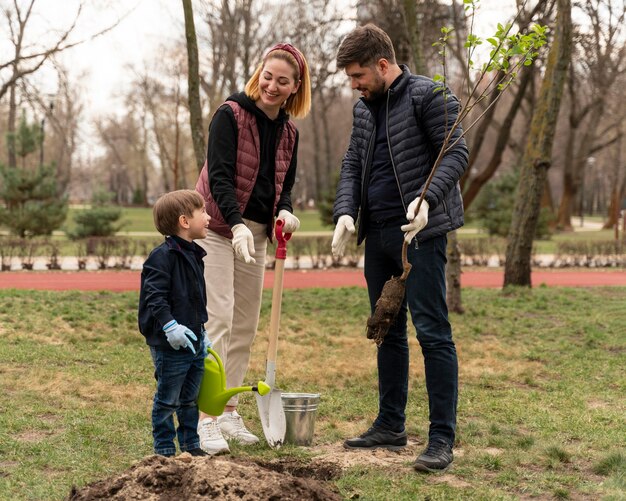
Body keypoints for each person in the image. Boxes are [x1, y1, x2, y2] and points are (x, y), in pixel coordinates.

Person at [331, 24, 468, 472]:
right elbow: (353, 161)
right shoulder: (364, 109)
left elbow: (457, 153)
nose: (353, 84)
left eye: (357, 75)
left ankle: (441, 439)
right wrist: (346, 211)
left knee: (432, 332)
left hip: (421, 234)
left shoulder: (430, 96)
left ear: (383, 65)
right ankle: (390, 425)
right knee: (386, 329)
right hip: (380, 234)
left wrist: (428, 199)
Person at [195, 42, 311, 454]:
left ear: (296, 86)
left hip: (258, 234)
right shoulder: (230, 115)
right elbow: (221, 178)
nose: (272, 86)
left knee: (245, 324)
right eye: (267, 76)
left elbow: (285, 185)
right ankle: (204, 419)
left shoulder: (290, 132)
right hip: (217, 227)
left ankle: (228, 410)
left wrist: (285, 212)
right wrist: (237, 225)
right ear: (258, 73)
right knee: (219, 319)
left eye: (283, 81)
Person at [138, 189, 212, 457]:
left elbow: (195, 299)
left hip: (193, 339)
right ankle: (165, 448)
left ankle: (191, 445)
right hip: (170, 343)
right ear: (184, 221)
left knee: (190, 398)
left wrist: (202, 331)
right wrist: (170, 326)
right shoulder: (162, 257)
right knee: (168, 399)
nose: (208, 217)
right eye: (202, 212)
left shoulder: (195, 254)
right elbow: (154, 296)